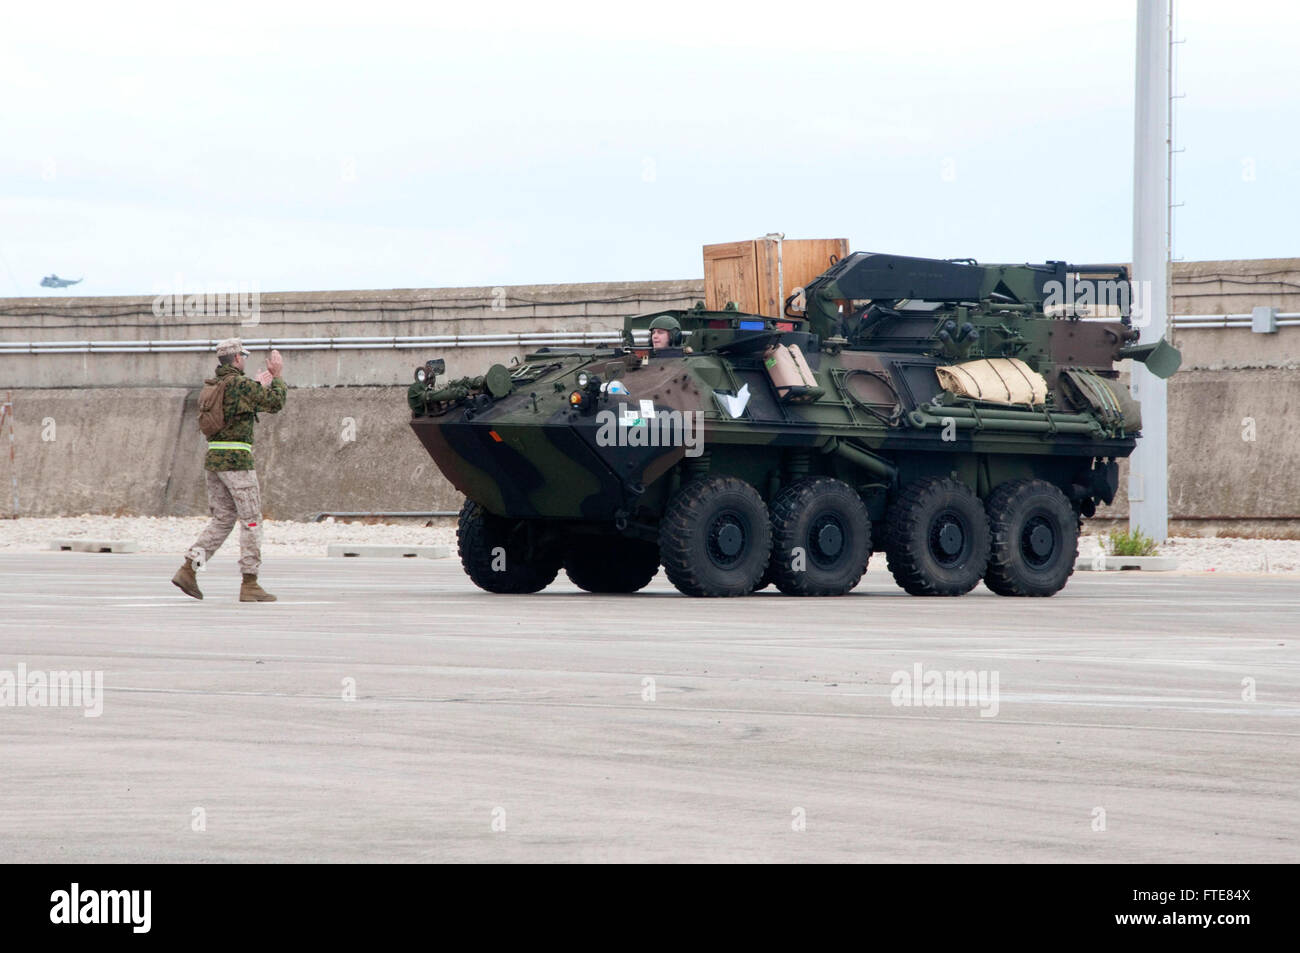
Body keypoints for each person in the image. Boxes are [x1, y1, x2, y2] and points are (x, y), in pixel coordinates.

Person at [171, 338, 287, 602]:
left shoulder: (215, 386)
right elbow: (275, 402)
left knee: (223, 519)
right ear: (236, 359)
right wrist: (277, 377)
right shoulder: (239, 385)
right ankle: (250, 582)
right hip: (237, 462)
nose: (244, 360)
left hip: (214, 460)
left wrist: (258, 384)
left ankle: (189, 569)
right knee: (251, 520)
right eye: (243, 356)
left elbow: (238, 405)